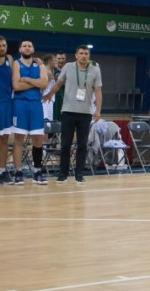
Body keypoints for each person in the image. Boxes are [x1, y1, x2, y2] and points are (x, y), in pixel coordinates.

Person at [50, 45, 102, 184]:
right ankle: (63, 173)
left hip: (85, 113)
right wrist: (49, 95)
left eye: (86, 53)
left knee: (82, 145)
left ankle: (79, 173)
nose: (84, 56)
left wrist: (98, 110)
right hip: (68, 111)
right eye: (81, 53)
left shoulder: (95, 70)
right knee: (65, 144)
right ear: (76, 55)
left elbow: (98, 91)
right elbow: (58, 83)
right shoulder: (68, 67)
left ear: (89, 55)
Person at [8, 39, 49, 184]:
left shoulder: (40, 65)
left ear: (33, 49)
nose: (27, 48)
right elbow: (16, 86)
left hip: (36, 105)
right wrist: (34, 82)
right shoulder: (16, 64)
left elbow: (44, 83)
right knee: (19, 138)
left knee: (37, 139)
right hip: (20, 104)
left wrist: (26, 79)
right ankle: (18, 171)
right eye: (24, 46)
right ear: (20, 49)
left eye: (29, 46)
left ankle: (37, 171)